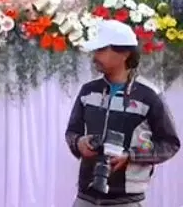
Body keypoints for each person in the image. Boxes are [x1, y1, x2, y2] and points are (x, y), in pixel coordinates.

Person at [65, 19, 179, 207]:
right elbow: (72, 132)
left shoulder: (149, 96)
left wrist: (131, 156)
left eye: (101, 50)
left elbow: (169, 144)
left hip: (127, 200)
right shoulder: (88, 91)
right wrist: (78, 143)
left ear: (125, 54)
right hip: (85, 197)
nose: (94, 56)